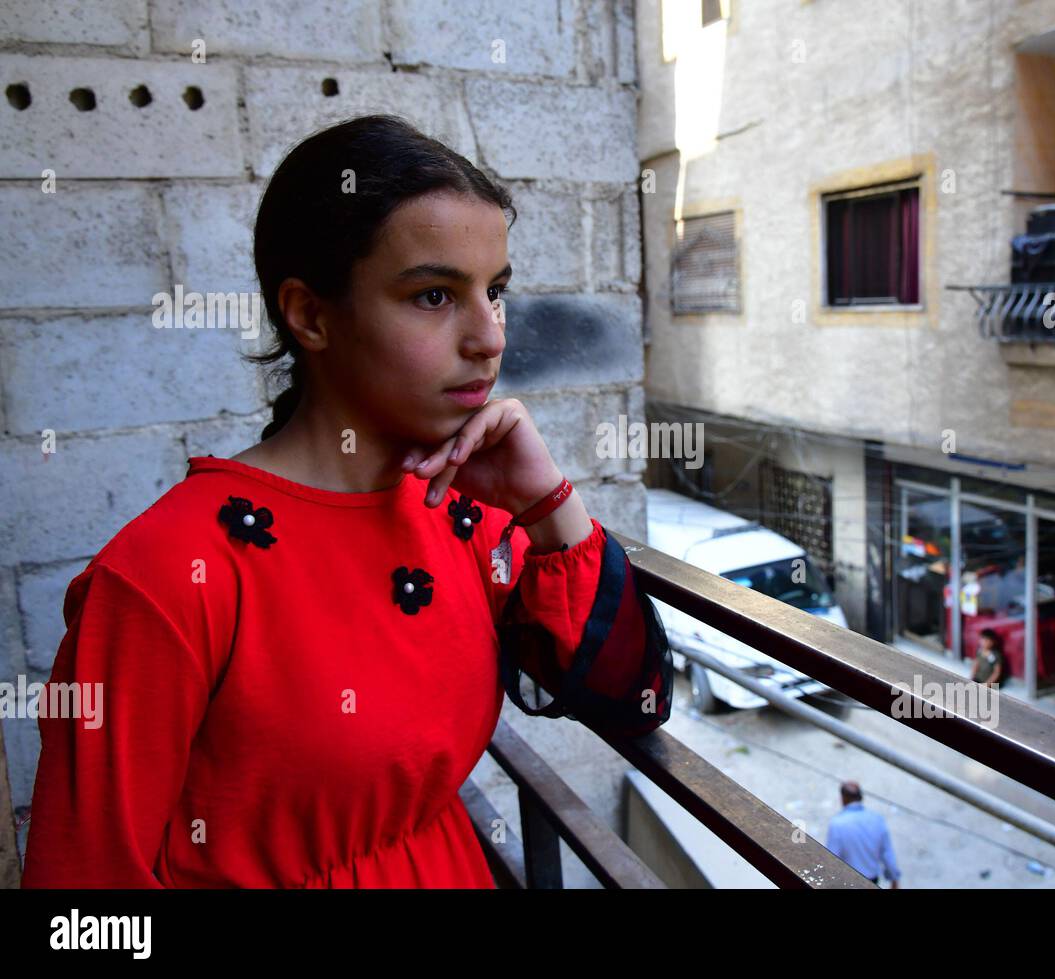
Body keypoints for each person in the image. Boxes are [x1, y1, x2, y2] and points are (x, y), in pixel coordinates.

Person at [21, 115, 671, 888]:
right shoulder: (171, 573)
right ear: (310, 315)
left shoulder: (462, 516)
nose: (490, 336)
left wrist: (549, 503)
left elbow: (628, 693)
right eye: (434, 295)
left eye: (494, 290)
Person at [825, 781, 901, 888]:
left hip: (848, 882)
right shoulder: (877, 819)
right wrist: (894, 879)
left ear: (843, 798)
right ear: (860, 797)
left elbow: (832, 858)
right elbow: (887, 853)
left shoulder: (837, 824)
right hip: (871, 881)